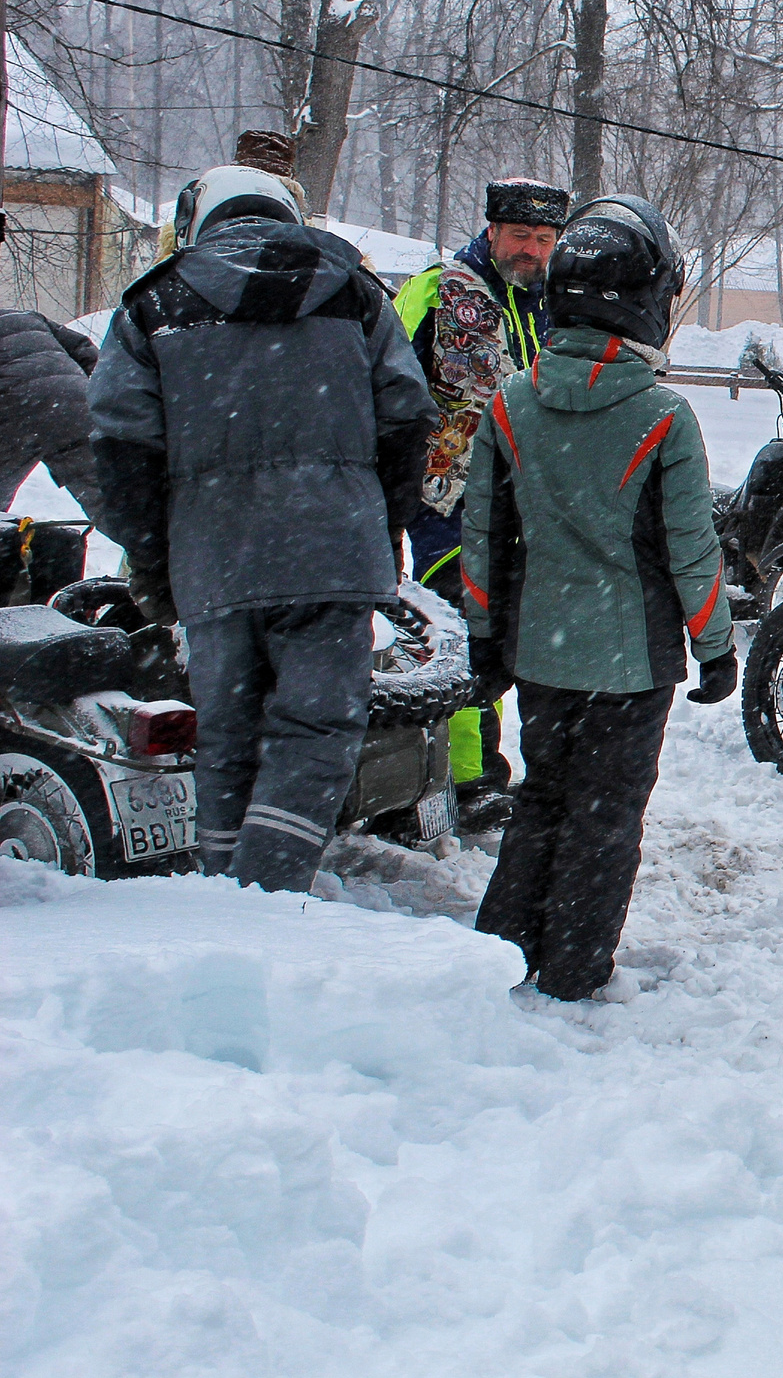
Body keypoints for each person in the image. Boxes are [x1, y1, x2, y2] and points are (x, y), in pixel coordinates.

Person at [87, 164, 436, 892]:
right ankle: (266, 896)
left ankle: (228, 895)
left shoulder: (151, 307)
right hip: (333, 553)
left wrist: (158, 559)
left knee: (228, 742)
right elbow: (408, 418)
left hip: (214, 562)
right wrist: (384, 521)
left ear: (197, 221)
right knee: (314, 735)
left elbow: (121, 450)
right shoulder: (355, 294)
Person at [460, 195, 734, 1001]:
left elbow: (483, 535)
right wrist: (715, 646)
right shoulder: (663, 415)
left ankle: (506, 951)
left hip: (540, 650)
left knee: (540, 796)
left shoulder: (510, 401)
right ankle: (575, 968)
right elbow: (693, 550)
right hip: (631, 661)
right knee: (606, 815)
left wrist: (485, 637)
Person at [393, 176, 570, 826]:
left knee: (525, 640)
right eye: (520, 235)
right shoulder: (439, 291)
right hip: (450, 496)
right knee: (469, 634)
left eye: (544, 239)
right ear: (492, 231)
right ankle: (470, 779)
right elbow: (384, 379)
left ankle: (531, 775)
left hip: (531, 502)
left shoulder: (553, 302)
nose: (532, 249)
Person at [0, 310, 107, 538]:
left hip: (12, 412)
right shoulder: (28, 317)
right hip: (75, 405)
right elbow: (85, 351)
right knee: (108, 497)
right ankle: (155, 558)